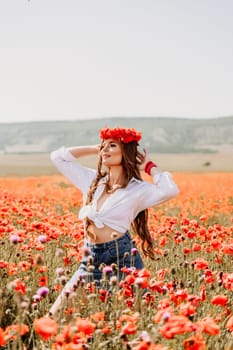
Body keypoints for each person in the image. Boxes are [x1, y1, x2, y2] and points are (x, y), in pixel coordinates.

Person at [48, 127, 179, 317]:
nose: (105, 150)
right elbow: (58, 157)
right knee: (56, 316)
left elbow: (170, 190)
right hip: (91, 260)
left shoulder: (138, 189)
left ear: (125, 151)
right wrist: (96, 148)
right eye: (103, 146)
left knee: (139, 319)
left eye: (112, 145)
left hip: (123, 258)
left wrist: (149, 166)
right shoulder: (92, 180)